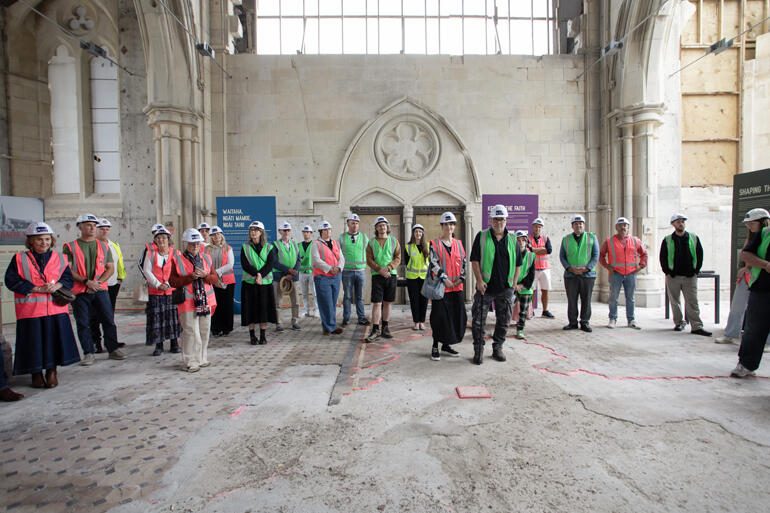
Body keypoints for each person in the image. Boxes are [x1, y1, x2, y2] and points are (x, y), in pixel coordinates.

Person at [4, 222, 80, 388]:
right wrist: (36, 288)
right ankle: (36, 374)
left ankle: (51, 372)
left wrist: (58, 285)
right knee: (33, 343)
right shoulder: (19, 259)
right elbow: (11, 280)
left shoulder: (59, 258)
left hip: (55, 308)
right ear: (31, 241)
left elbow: (67, 278)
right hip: (30, 310)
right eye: (39, 239)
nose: (43, 243)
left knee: (53, 341)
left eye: (47, 239)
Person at [63, 213, 126, 365]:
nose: (92, 227)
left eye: (93, 225)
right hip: (80, 290)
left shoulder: (103, 246)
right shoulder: (70, 247)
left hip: (100, 289)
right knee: (83, 322)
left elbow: (110, 268)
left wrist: (97, 283)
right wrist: (86, 282)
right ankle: (88, 352)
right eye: (88, 225)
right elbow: (67, 269)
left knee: (108, 319)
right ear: (80, 226)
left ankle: (112, 349)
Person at [470, 205, 520, 364]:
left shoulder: (512, 239)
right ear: (491, 220)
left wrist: (514, 284)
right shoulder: (482, 236)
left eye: (502, 219)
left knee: (504, 320)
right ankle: (478, 350)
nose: (499, 222)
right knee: (478, 321)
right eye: (496, 219)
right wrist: (478, 280)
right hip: (485, 288)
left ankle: (498, 347)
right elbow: (475, 260)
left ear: (506, 220)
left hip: (505, 288)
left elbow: (518, 263)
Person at [717, 208, 770, 346]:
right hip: (747, 278)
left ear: (762, 222)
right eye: (748, 224)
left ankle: (767, 342)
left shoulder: (765, 236)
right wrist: (743, 268)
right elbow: (745, 255)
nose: (749, 226)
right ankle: (730, 334)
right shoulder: (751, 237)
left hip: (762, 280)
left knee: (763, 313)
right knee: (737, 307)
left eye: (751, 223)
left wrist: (749, 267)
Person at [169, 228, 218, 372]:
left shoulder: (206, 258)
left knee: (204, 331)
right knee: (190, 332)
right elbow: (173, 281)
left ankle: (202, 358)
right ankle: (190, 361)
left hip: (205, 301)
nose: (195, 246)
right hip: (187, 302)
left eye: (197, 243)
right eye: (192, 244)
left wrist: (205, 276)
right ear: (186, 243)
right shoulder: (177, 260)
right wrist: (190, 277)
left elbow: (214, 279)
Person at [730, 216, 770, 377]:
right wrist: (766, 265)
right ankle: (746, 364)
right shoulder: (765, 234)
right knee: (753, 330)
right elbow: (745, 255)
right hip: (762, 291)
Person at [659, 213, 711, 336]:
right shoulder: (667, 240)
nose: (681, 223)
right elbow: (663, 257)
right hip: (673, 276)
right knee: (675, 301)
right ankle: (679, 323)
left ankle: (696, 326)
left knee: (692, 301)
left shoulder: (693, 238)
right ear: (673, 224)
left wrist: (695, 271)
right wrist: (667, 271)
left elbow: (699, 255)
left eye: (682, 221)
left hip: (689, 276)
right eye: (678, 222)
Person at [428, 212, 467, 361]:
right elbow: (433, 264)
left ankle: (447, 344)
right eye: (446, 224)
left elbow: (463, 262)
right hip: (441, 287)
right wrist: (445, 279)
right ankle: (435, 346)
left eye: (451, 224)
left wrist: (461, 279)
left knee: (455, 317)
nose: (449, 227)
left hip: (456, 287)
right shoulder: (435, 244)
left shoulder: (459, 244)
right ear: (442, 226)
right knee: (439, 317)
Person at [599, 217, 648, 329]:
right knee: (613, 297)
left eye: (625, 225)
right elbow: (601, 255)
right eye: (620, 225)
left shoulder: (635, 241)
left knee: (630, 298)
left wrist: (640, 266)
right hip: (615, 273)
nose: (623, 227)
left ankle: (631, 320)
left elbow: (644, 254)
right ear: (616, 227)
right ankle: (612, 319)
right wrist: (607, 266)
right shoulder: (609, 241)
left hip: (631, 274)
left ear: (628, 227)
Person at [142, 227, 181, 356]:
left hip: (172, 291)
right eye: (158, 238)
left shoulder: (176, 253)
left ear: (169, 240)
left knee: (172, 318)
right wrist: (158, 284)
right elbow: (146, 271)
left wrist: (168, 284)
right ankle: (159, 345)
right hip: (155, 291)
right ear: (155, 241)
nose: (161, 240)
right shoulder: (151, 253)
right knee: (157, 319)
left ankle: (174, 343)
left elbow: (179, 270)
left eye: (164, 238)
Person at [89, 218, 126, 353]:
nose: (105, 231)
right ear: (96, 230)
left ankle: (111, 341)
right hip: (98, 285)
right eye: (102, 229)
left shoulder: (113, 245)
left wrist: (120, 278)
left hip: (113, 283)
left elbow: (119, 262)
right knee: (94, 315)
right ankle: (96, 342)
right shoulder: (94, 245)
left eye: (107, 229)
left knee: (109, 315)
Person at [559, 215, 599, 332]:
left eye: (581, 223)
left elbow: (596, 255)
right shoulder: (566, 239)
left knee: (586, 299)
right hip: (571, 275)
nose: (578, 225)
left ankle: (585, 322)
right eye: (576, 224)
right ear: (572, 226)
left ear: (584, 225)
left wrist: (587, 268)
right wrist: (569, 268)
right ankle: (572, 322)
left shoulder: (591, 237)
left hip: (587, 275)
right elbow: (562, 256)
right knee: (572, 300)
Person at [365, 216, 401, 343]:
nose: (382, 227)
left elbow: (398, 257)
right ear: (376, 227)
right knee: (377, 303)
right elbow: (369, 259)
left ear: (387, 227)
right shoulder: (371, 242)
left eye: (384, 225)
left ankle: (385, 327)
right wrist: (379, 269)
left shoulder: (393, 241)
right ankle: (375, 329)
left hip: (391, 275)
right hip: (377, 275)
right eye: (379, 225)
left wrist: (389, 268)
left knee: (387, 302)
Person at [241, 221, 277, 345]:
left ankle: (263, 336)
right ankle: (252, 336)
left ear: (261, 232)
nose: (253, 232)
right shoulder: (245, 247)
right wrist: (257, 275)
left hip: (265, 284)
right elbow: (245, 264)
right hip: (249, 283)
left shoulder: (269, 247)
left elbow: (270, 264)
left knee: (263, 309)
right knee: (250, 310)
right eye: (251, 230)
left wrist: (261, 275)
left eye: (256, 230)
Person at [312, 220, 345, 335]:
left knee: (332, 302)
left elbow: (341, 258)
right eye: (325, 230)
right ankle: (331, 327)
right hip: (322, 277)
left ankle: (327, 327)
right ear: (320, 232)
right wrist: (330, 268)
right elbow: (316, 260)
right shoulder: (316, 244)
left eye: (329, 229)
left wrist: (339, 268)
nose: (327, 232)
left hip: (336, 276)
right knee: (325, 302)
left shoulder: (335, 243)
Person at [340, 213, 371, 327]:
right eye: (352, 223)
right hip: (347, 272)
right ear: (348, 224)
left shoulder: (364, 237)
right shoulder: (342, 238)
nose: (355, 225)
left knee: (360, 297)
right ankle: (346, 318)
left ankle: (361, 318)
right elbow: (337, 254)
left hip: (360, 271)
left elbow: (370, 252)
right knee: (347, 296)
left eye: (357, 223)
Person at [272, 222, 301, 331]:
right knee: (278, 302)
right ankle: (279, 323)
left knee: (296, 301)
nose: (286, 232)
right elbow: (274, 262)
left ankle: (295, 321)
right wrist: (288, 271)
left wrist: (294, 271)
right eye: (284, 230)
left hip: (293, 277)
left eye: (288, 230)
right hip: (279, 277)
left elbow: (299, 259)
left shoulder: (295, 244)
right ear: (280, 231)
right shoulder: (275, 245)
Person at [207, 226, 235, 337]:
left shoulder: (228, 248)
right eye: (214, 235)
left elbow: (230, 264)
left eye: (218, 234)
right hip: (212, 281)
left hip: (227, 281)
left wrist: (216, 272)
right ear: (211, 237)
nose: (216, 237)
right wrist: (213, 276)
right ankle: (215, 328)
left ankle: (226, 327)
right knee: (215, 305)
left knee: (226, 305)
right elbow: (205, 263)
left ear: (222, 236)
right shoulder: (207, 249)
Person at [512, 230, 536, 339]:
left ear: (526, 241)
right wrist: (514, 284)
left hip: (525, 287)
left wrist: (521, 285)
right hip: (511, 285)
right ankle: (500, 329)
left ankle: (520, 329)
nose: (521, 242)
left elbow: (531, 274)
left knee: (523, 311)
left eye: (523, 240)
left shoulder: (531, 256)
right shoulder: (511, 254)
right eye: (518, 240)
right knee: (505, 309)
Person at [405, 224, 429, 330]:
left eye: (420, 231)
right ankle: (416, 322)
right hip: (412, 277)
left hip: (424, 277)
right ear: (413, 234)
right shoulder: (408, 247)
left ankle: (422, 322)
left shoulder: (428, 246)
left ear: (422, 233)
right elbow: (406, 262)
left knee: (424, 300)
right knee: (414, 300)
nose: (418, 233)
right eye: (416, 231)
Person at [528, 218, 554, 318]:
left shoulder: (546, 238)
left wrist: (534, 249)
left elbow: (549, 250)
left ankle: (545, 310)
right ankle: (531, 311)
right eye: (535, 226)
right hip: (532, 269)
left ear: (541, 228)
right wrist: (542, 249)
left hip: (544, 269)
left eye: (539, 227)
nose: (537, 228)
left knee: (545, 290)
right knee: (532, 291)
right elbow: (527, 249)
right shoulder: (528, 238)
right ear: (532, 227)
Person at [298, 225, 319, 318]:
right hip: (302, 273)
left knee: (315, 292)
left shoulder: (315, 244)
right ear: (302, 233)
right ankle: (305, 310)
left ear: (311, 233)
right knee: (304, 292)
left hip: (312, 272)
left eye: (308, 232)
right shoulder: (298, 245)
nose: (306, 233)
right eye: (304, 232)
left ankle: (316, 310)